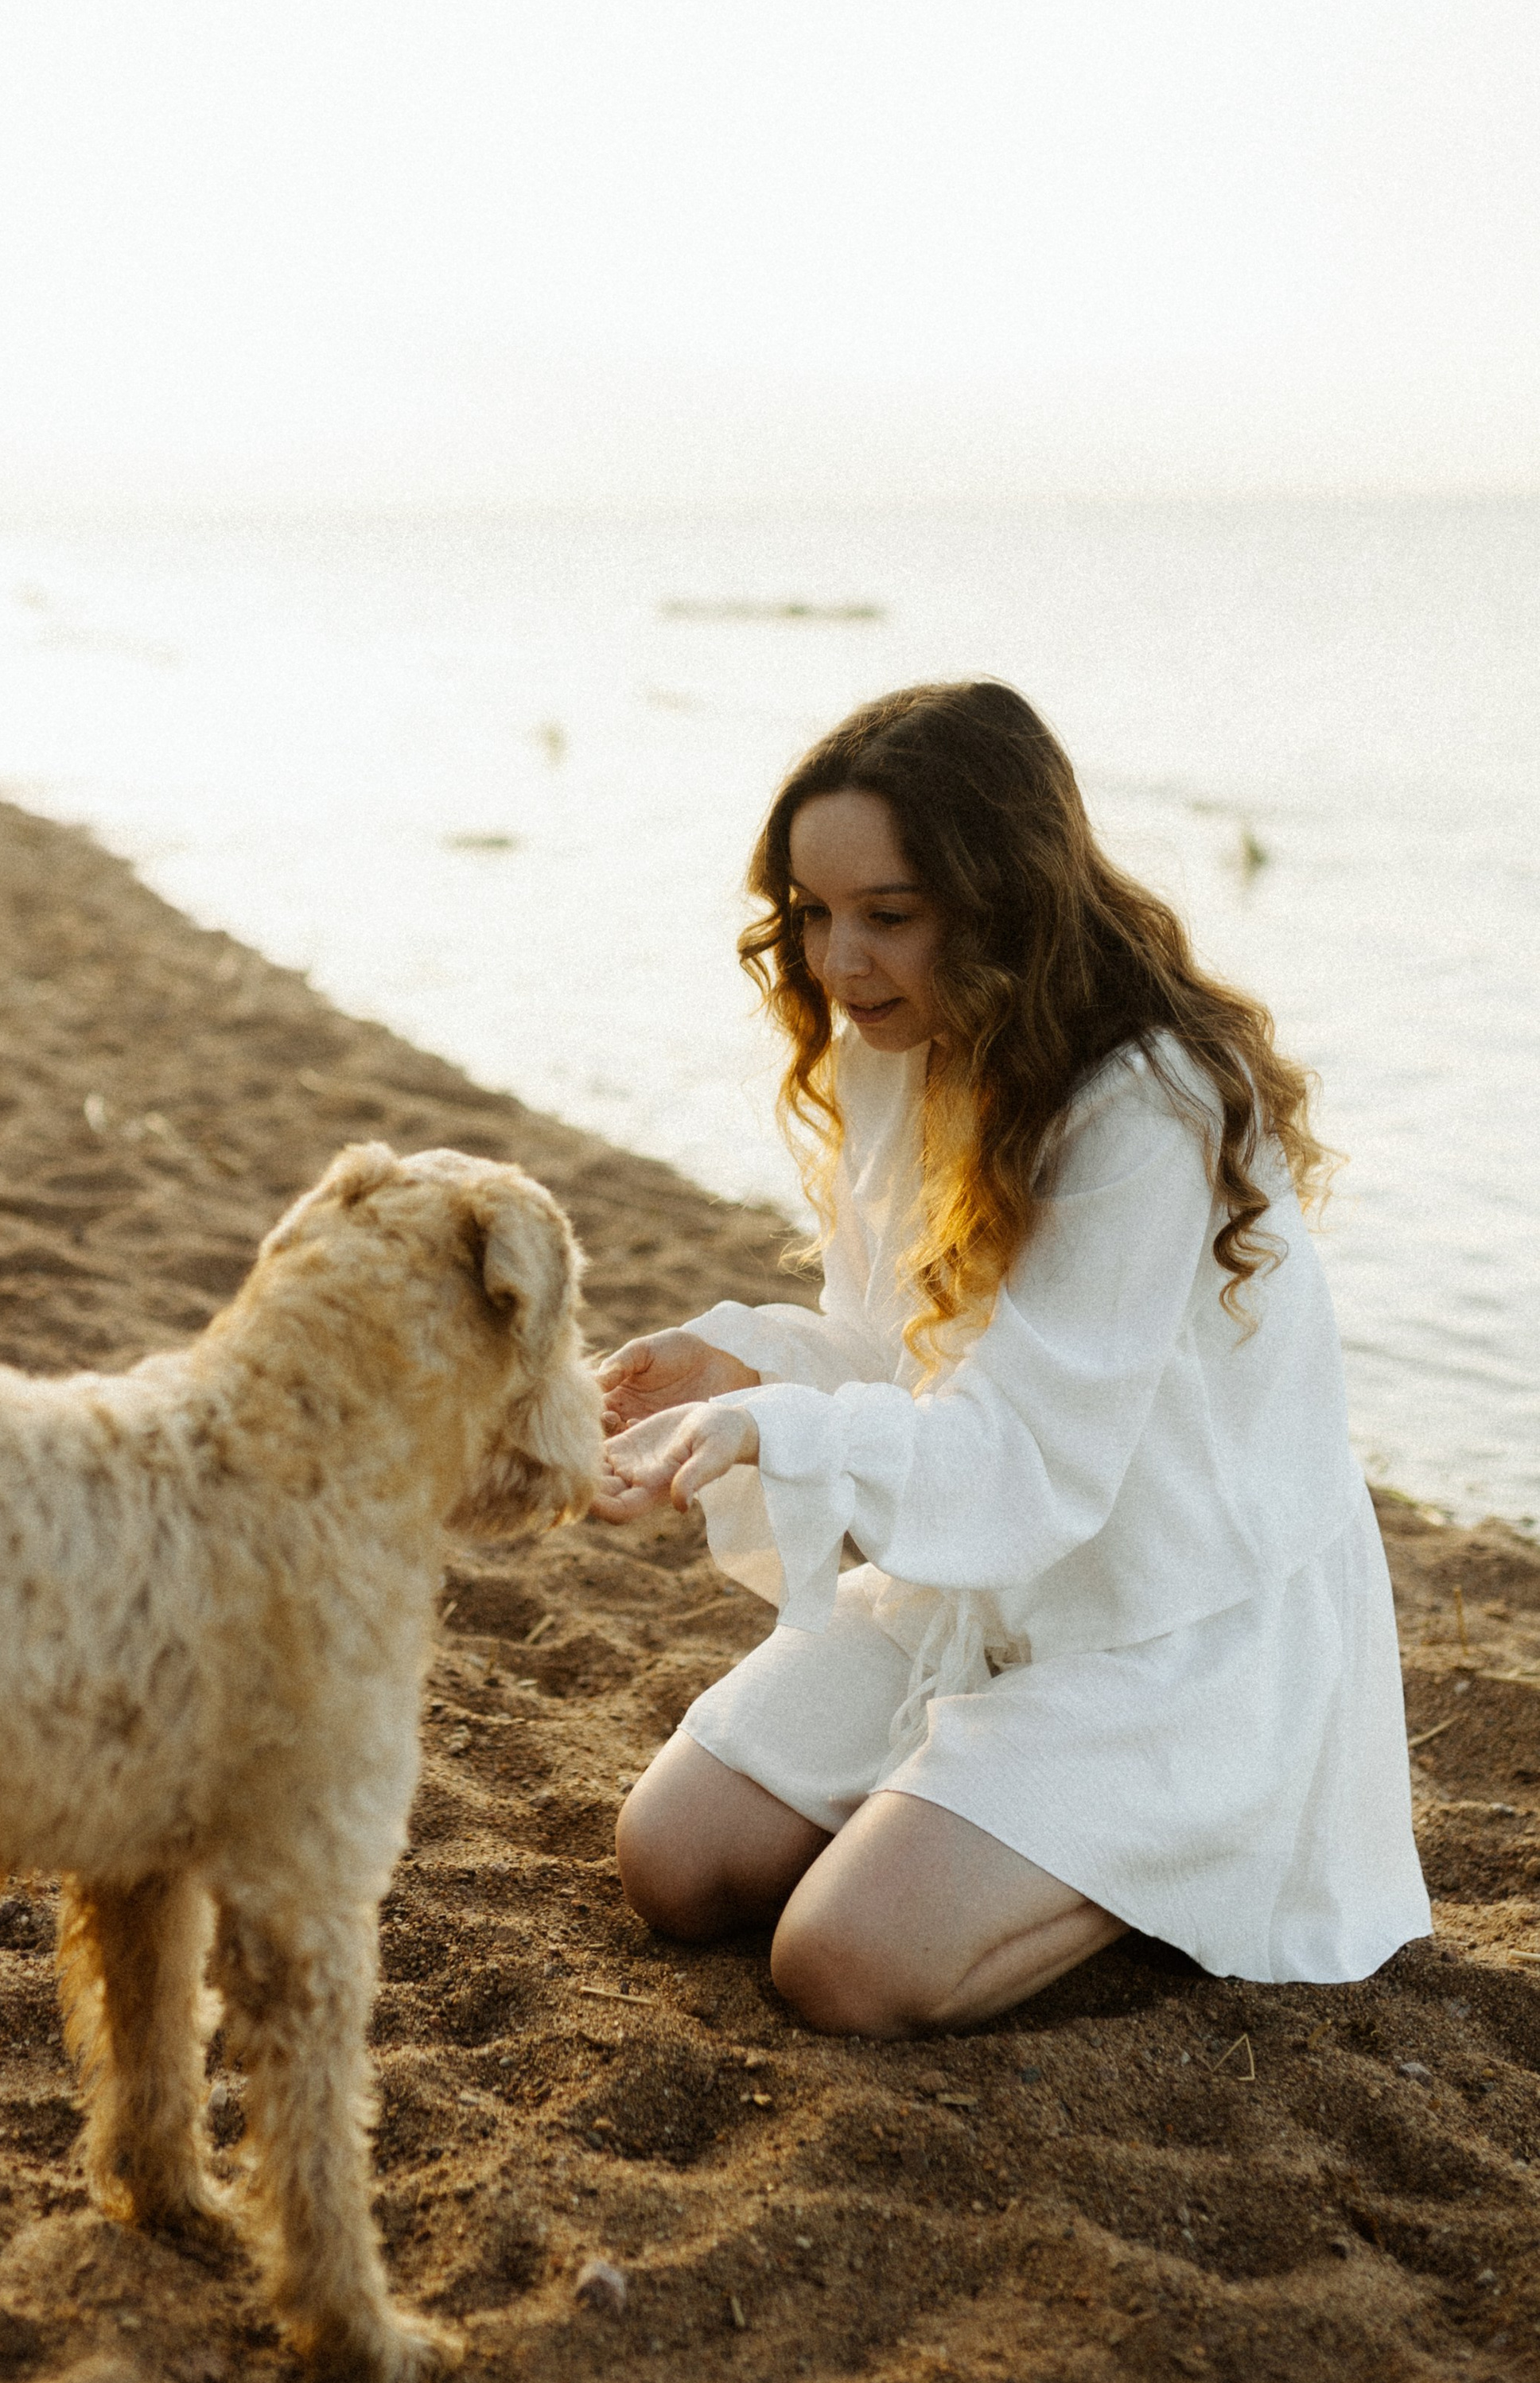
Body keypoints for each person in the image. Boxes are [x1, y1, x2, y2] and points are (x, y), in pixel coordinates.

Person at [594, 680, 1429, 2039]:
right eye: (813, 913)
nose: (839, 962)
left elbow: (1029, 1447)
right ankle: (965, 1822)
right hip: (981, 1576)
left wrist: (781, 1436)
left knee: (841, 1964)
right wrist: (733, 1366)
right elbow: (897, 1346)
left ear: (1000, 898)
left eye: (888, 914)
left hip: (1168, 1617)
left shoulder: (1144, 1104)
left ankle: (1161, 1851)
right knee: (672, 1858)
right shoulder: (904, 1049)